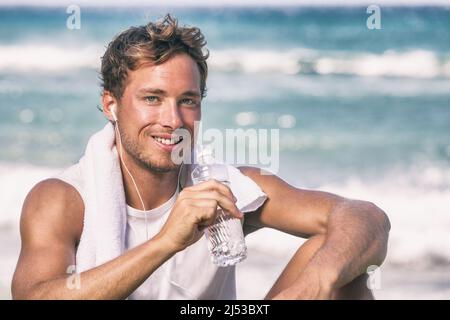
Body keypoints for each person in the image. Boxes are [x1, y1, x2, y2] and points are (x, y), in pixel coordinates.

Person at [11, 14, 390, 300]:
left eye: (187, 101)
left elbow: (366, 218)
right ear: (111, 104)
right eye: (152, 99)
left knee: (346, 270)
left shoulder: (223, 189)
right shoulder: (63, 198)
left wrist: (317, 283)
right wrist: (165, 241)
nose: (173, 120)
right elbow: (35, 297)